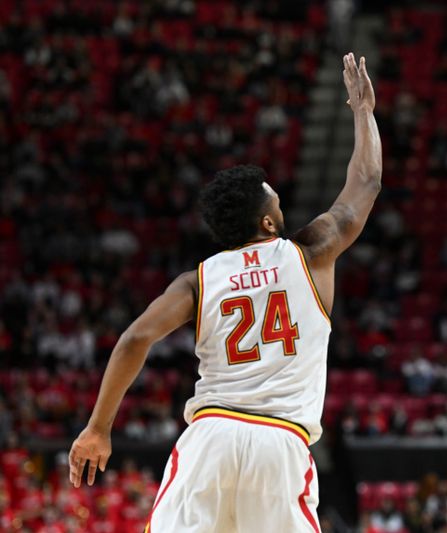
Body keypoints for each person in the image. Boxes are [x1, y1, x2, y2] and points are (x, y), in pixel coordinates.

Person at [68, 52, 381, 532]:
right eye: (275, 196)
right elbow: (366, 181)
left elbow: (134, 340)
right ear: (268, 221)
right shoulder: (311, 251)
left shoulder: (198, 279)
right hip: (280, 444)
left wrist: (98, 428)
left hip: (210, 436)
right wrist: (363, 112)